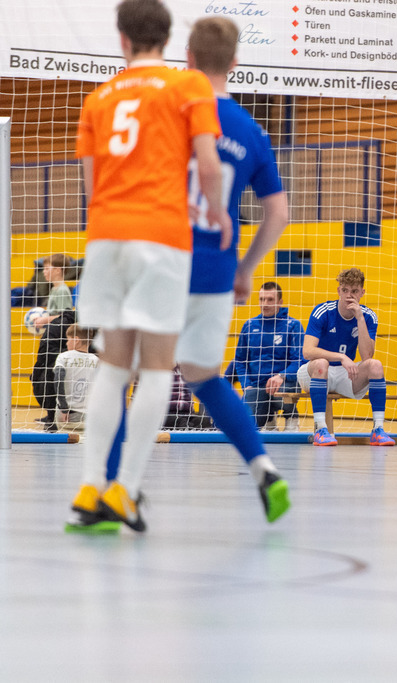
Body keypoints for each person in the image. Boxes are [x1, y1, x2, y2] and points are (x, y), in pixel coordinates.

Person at [68, 1, 238, 534]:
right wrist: (217, 213)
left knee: (113, 366)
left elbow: (91, 185)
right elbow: (208, 164)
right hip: (161, 236)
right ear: (169, 42)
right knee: (159, 366)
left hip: (106, 235)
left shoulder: (98, 98)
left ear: (122, 39)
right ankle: (125, 489)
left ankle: (90, 485)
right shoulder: (187, 86)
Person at [299, 267, 393, 447]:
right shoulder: (323, 311)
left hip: (344, 374)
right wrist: (341, 357)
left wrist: (360, 318)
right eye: (345, 290)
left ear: (362, 293)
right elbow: (307, 352)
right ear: (338, 291)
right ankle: (320, 430)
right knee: (321, 363)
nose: (349, 295)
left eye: (355, 291)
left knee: (375, 365)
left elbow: (367, 356)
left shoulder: (368, 316)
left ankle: (378, 430)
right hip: (313, 372)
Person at [233, 282, 304, 430]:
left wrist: (282, 376)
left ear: (280, 302)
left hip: (283, 383)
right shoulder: (249, 325)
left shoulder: (293, 325)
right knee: (247, 425)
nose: (265, 304)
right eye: (262, 299)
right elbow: (239, 361)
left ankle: (291, 417)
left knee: (283, 391)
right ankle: (269, 419)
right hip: (256, 385)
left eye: (270, 299)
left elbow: (300, 361)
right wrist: (246, 385)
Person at [53, 324, 99, 431]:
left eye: (68, 339)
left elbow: (58, 380)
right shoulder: (96, 360)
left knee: (66, 438)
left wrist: (63, 408)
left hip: (67, 414)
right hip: (88, 414)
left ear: (76, 340)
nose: (66, 343)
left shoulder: (64, 357)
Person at [32, 253, 75, 331]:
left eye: (47, 268)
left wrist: (45, 320)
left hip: (59, 333)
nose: (44, 272)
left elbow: (65, 318)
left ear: (58, 270)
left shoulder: (62, 290)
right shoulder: (54, 289)